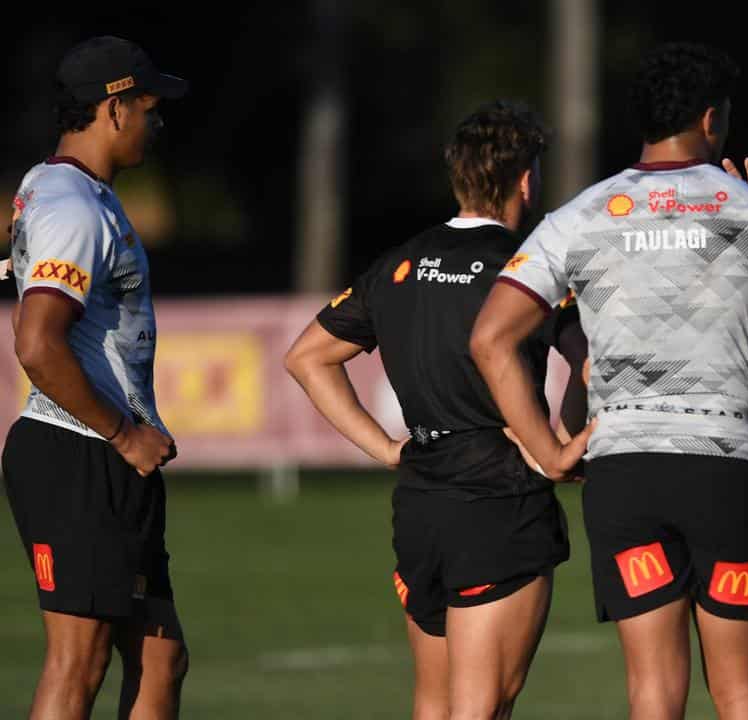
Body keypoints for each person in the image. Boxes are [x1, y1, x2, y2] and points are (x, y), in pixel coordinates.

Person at [469, 42, 748, 719]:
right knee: (742, 693)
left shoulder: (580, 214)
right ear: (713, 119)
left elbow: (490, 338)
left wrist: (546, 450)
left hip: (624, 474)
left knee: (654, 694)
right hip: (725, 473)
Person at [284, 101, 590, 720]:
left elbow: (307, 357)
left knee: (435, 705)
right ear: (526, 180)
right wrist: (564, 443)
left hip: (420, 501)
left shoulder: (402, 262)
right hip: (498, 505)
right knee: (483, 707)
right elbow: (592, 363)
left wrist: (384, 448)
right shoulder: (532, 267)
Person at [2, 36, 188, 720]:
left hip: (105, 455)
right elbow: (37, 345)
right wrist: (123, 433)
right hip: (79, 450)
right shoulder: (72, 206)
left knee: (161, 657)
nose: (157, 119)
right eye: (148, 104)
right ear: (113, 108)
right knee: (78, 661)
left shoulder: (64, 192)